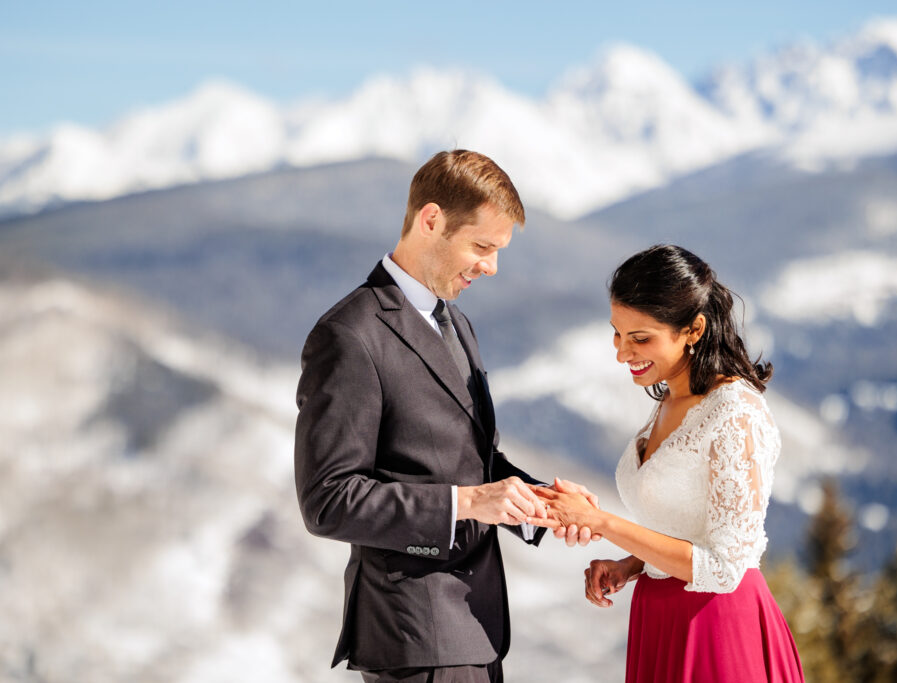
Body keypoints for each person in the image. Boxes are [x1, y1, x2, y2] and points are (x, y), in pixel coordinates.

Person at [293, 149, 597, 683]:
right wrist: (469, 502)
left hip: (477, 628)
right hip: (414, 634)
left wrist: (543, 504)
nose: (491, 266)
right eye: (482, 246)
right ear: (430, 220)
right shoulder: (349, 336)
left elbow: (471, 458)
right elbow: (328, 501)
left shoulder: (456, 323)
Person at [528, 245, 805, 682]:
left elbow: (725, 567)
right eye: (617, 334)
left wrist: (600, 523)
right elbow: (687, 523)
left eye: (641, 338)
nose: (622, 352)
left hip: (718, 629)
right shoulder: (671, 397)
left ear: (693, 329)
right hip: (659, 619)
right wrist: (630, 564)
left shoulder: (734, 414)